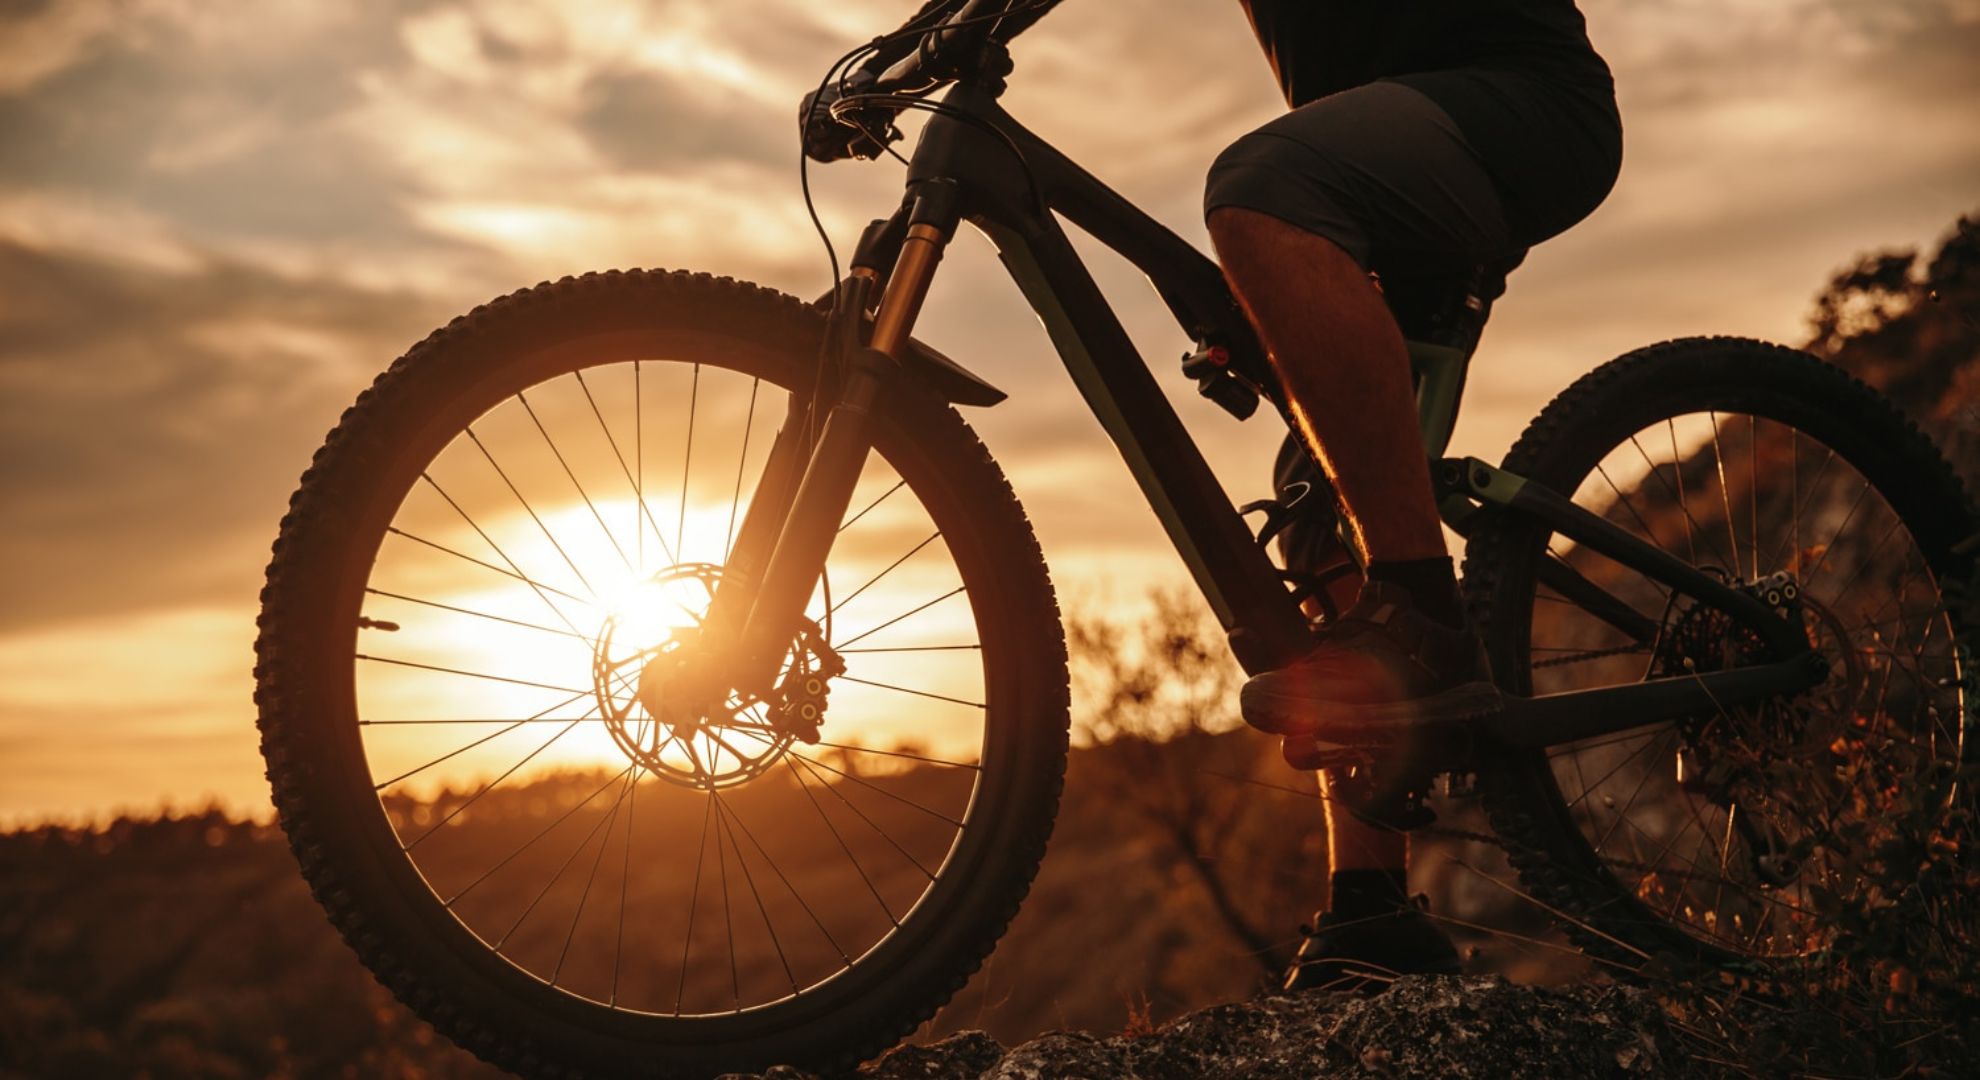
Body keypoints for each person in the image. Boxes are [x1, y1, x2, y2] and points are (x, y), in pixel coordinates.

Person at [807, 0, 1622, 993]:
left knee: (1260, 185)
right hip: (1381, 168)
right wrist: (907, 47)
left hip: (1522, 109)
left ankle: (1424, 613)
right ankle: (1373, 910)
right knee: (1317, 501)